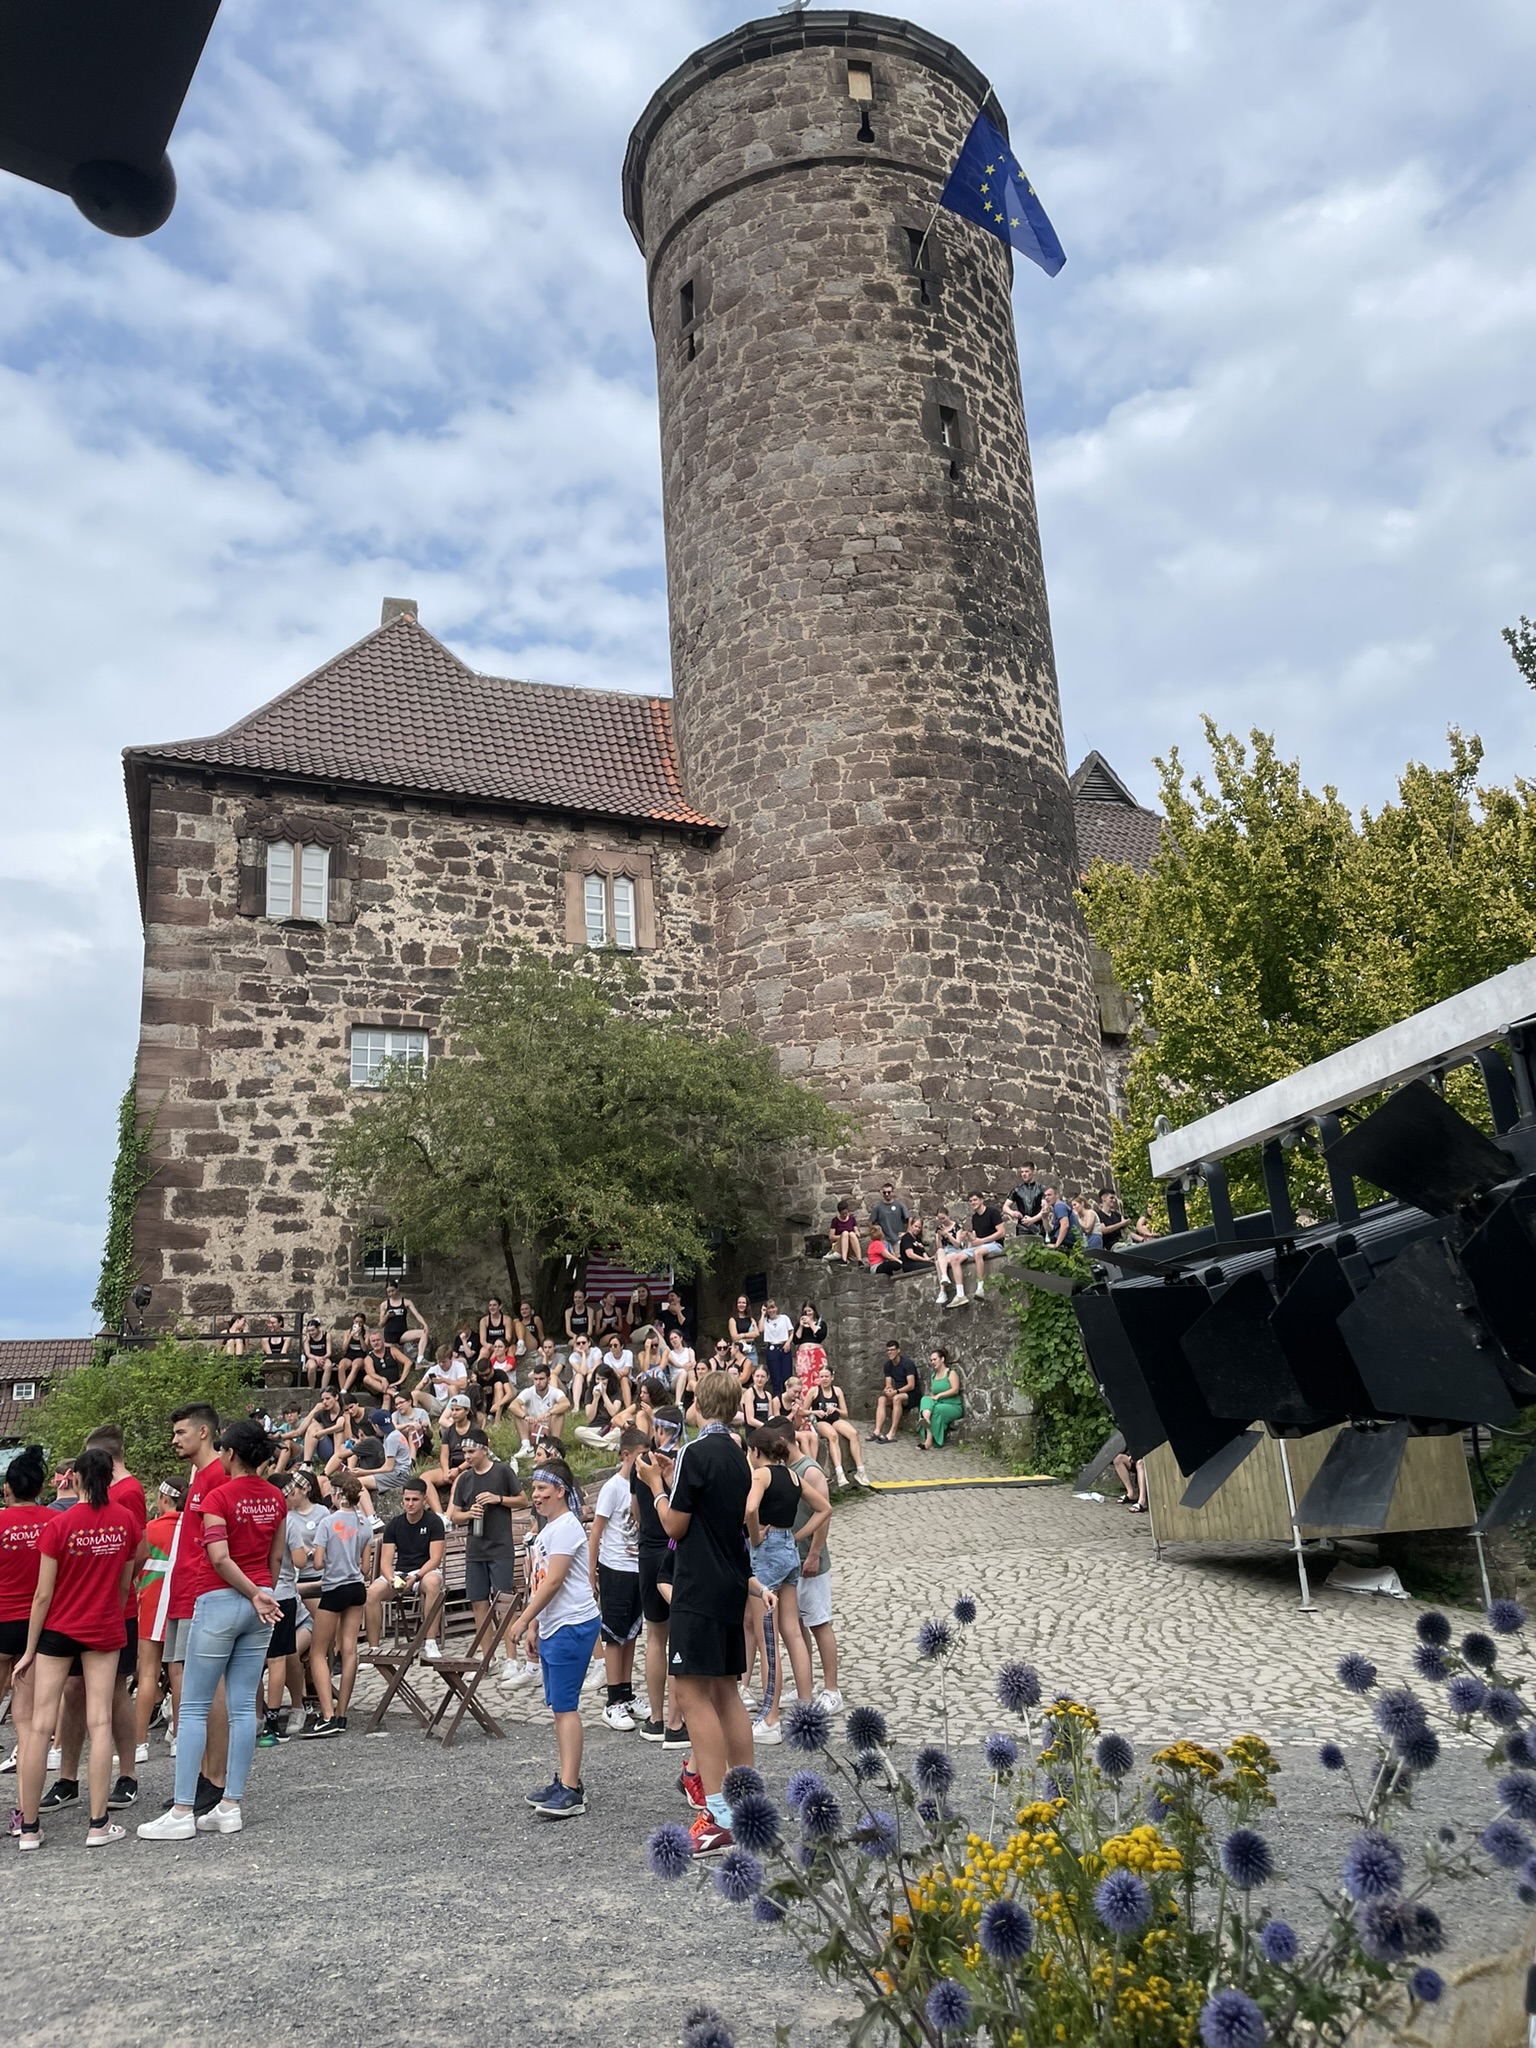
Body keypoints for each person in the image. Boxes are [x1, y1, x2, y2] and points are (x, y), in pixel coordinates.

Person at [138, 1421, 285, 1840]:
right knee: (242, 1709)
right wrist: (262, 1593)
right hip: (259, 1604)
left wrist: (251, 1593)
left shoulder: (219, 1496)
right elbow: (276, 1557)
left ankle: (183, 1809)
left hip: (219, 1600)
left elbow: (219, 1557)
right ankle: (230, 1805)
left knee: (194, 1707)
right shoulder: (276, 1497)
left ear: (231, 1454)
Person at [634, 1370, 754, 1855]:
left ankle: (718, 1813)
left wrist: (655, 1485)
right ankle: (745, 1804)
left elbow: (675, 1526)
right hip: (730, 1581)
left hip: (697, 1586)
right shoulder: (738, 1454)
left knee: (689, 1692)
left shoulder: (693, 1452)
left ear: (698, 1405)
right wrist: (671, 1477)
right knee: (726, 1690)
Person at [14, 1446, 143, 1850]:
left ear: (76, 1479)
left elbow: (43, 1594)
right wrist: (108, 1609)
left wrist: (30, 1649)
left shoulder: (60, 1524)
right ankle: (98, 1824)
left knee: (40, 1724)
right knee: (100, 1721)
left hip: (58, 1628)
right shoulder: (126, 1522)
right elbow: (124, 1584)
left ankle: (29, 1829)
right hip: (103, 1626)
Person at [46, 1423, 147, 1818]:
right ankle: (68, 1778)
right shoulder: (92, 1500)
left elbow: (139, 1550)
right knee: (74, 1691)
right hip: (80, 1613)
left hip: (116, 1610)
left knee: (114, 1694)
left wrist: (111, 1583)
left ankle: (127, 1774)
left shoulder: (129, 1492)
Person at [145, 1403, 230, 1820]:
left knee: (208, 1687)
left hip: (200, 1593)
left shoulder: (216, 1477)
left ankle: (214, 1778)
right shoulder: (199, 1477)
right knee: (191, 1686)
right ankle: (202, 1774)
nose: (174, 1439)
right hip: (183, 1592)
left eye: (181, 1432)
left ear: (203, 1432)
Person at [506, 1459, 601, 1819]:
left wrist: (522, 1620)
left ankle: (572, 1789)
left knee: (565, 1707)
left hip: (571, 1624)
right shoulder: (549, 1530)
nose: (536, 1495)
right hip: (554, 1625)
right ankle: (565, 1779)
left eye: (543, 1489)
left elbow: (555, 1581)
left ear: (561, 1491)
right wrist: (535, 1627)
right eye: (534, 1489)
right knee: (559, 1708)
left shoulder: (565, 1527)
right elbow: (539, 1580)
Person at [745, 1430, 813, 1746]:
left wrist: (755, 1537)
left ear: (756, 1452)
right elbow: (824, 1508)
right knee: (793, 1632)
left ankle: (770, 1718)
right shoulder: (793, 1476)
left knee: (766, 1639)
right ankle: (807, 1708)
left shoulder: (761, 1475)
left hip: (766, 1554)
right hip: (788, 1549)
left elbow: (750, 1509)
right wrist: (796, 1537)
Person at [0, 1446, 51, 1810]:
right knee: (28, 1724)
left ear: (7, 1489)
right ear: (41, 1487)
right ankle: (23, 1809)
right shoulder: (55, 1522)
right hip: (39, 1627)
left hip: (2, 1622)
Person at [301, 1472, 371, 1737]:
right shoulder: (364, 1524)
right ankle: (342, 1713)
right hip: (356, 1588)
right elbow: (366, 1568)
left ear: (337, 1493)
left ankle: (327, 1715)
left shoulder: (328, 1523)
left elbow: (318, 1563)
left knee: (318, 1652)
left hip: (334, 1588)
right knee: (350, 1650)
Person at [448, 1431, 525, 1666]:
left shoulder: (502, 1471)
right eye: (464, 1452)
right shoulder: (464, 1479)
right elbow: (454, 1515)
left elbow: (523, 1500)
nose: (467, 1456)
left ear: (484, 1449)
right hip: (475, 1549)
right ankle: (487, 1656)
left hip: (500, 1547)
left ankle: (511, 1658)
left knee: (504, 1602)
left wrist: (498, 1499)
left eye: (471, 1451)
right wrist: (468, 1514)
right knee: (478, 1602)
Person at [779, 1419, 841, 1712]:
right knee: (797, 1624)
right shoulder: (786, 1470)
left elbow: (824, 1514)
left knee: (819, 1623)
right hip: (792, 1561)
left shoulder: (810, 1471)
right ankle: (806, 1683)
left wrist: (815, 1553)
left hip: (809, 1560)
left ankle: (832, 1689)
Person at [588, 1428, 645, 1731]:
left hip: (638, 1567)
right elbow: (596, 1530)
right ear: (626, 1455)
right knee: (614, 1634)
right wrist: (591, 1571)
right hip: (615, 1567)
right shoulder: (613, 1488)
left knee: (632, 1632)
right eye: (641, 1456)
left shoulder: (644, 1485)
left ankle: (626, 1691)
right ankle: (612, 1701)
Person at [133, 1479, 184, 1762]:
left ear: (164, 1499)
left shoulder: (150, 1529)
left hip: (152, 1603)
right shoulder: (193, 1528)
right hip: (181, 1604)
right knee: (178, 1673)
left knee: (147, 1674)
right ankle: (179, 1738)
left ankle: (139, 1744)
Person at [365, 1478, 445, 1658]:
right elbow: (385, 1562)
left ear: (424, 1499)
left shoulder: (434, 1522)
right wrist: (391, 1579)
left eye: (415, 1500)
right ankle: (374, 1649)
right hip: (400, 1573)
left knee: (433, 1583)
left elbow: (435, 1559)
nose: (410, 1504)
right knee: (372, 1592)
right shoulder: (395, 1524)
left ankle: (430, 1642)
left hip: (425, 1571)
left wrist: (416, 1577)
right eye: (407, 1499)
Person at [258, 1473, 309, 1748]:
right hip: (282, 1594)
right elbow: (299, 1560)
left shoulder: (255, 1518)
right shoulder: (288, 1522)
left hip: (253, 1592)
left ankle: (256, 1715)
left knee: (254, 1660)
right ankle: (273, 1722)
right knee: (278, 1659)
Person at [941, 1192, 1007, 1306]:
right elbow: (975, 1239)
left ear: (981, 1200)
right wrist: (969, 1236)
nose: (972, 1202)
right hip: (982, 1245)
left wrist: (982, 1241)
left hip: (995, 1244)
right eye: (970, 1201)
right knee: (955, 1259)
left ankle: (980, 1288)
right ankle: (960, 1294)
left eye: (975, 1200)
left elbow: (1001, 1232)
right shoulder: (975, 1218)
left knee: (978, 1253)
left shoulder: (992, 1212)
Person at [808, 1365, 868, 1487]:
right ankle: (839, 1472)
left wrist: (836, 1409)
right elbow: (803, 1411)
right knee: (833, 1435)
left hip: (835, 1420)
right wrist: (815, 1412)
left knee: (853, 1433)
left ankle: (860, 1470)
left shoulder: (837, 1391)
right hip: (820, 1421)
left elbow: (845, 1414)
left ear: (832, 1377)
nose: (824, 1379)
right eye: (821, 1377)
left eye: (826, 1376)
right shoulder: (814, 1391)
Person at [422, 1394, 475, 1515]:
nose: (454, 1413)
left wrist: (459, 1469)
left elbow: (474, 1457)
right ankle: (439, 1514)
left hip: (467, 1467)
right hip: (451, 1466)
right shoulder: (449, 1431)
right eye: (452, 1410)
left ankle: (449, 1516)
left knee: (457, 1485)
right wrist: (446, 1471)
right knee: (425, 1478)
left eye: (458, 1410)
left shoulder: (474, 1431)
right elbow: (444, 1455)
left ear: (466, 1411)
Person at [510, 1362, 571, 1455]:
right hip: (533, 1426)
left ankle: (554, 1445)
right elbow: (513, 1405)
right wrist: (525, 1416)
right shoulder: (529, 1391)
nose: (538, 1382)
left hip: (549, 1427)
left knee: (558, 1410)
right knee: (520, 1409)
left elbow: (566, 1403)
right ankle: (526, 1447)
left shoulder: (555, 1392)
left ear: (548, 1379)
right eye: (536, 1379)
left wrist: (549, 1413)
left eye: (541, 1379)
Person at [870, 1341, 920, 1443]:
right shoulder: (888, 1365)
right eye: (888, 1350)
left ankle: (892, 1433)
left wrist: (896, 1392)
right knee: (881, 1399)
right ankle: (877, 1431)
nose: (890, 1352)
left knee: (897, 1398)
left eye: (892, 1350)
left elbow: (911, 1385)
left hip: (912, 1394)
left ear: (898, 1351)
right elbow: (888, 1383)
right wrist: (887, 1390)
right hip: (898, 1392)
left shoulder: (907, 1364)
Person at [916, 1348, 964, 1449]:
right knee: (925, 1399)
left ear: (942, 1359)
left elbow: (955, 1389)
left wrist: (939, 1395)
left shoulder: (950, 1373)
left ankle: (928, 1440)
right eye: (931, 1360)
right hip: (939, 1403)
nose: (932, 1362)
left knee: (936, 1410)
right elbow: (933, 1394)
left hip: (953, 1405)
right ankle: (926, 1420)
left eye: (935, 1359)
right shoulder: (934, 1376)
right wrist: (933, 1398)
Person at [574, 1364, 629, 1451]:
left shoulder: (617, 1391)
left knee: (621, 1432)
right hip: (594, 1428)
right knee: (578, 1431)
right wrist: (595, 1398)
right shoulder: (589, 1392)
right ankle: (611, 1446)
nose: (600, 1382)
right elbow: (590, 1417)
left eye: (603, 1379)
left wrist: (604, 1394)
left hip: (610, 1428)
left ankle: (592, 1444)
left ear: (609, 1379)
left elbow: (613, 1413)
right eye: (598, 1379)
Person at [380, 1281, 428, 1362]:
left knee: (423, 1333)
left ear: (397, 1289)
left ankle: (420, 1358)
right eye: (389, 1292)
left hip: (402, 1333)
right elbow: (381, 1324)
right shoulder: (384, 1304)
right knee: (390, 1359)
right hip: (390, 1334)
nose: (391, 1293)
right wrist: (387, 1315)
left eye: (393, 1291)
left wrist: (425, 1324)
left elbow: (417, 1314)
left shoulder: (406, 1302)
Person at [415, 1346, 468, 1417]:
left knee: (452, 1388)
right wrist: (423, 1384)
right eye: (439, 1361)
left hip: (454, 1401)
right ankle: (415, 1419)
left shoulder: (458, 1366)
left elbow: (463, 1384)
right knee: (415, 1394)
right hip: (439, 1403)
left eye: (444, 1362)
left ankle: (451, 1415)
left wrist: (444, 1380)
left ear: (451, 1359)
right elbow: (417, 1389)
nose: (441, 1364)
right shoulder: (433, 1369)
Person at [1002, 1163, 1046, 1239]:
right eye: (1022, 1172)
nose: (1024, 1174)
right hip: (1022, 1227)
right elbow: (1005, 1207)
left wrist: (1032, 1220)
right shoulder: (1017, 1190)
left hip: (1038, 1226)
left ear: (1033, 1172)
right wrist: (1012, 1213)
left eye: (1027, 1171)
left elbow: (1045, 1209)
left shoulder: (1042, 1189)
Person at [738, 1364, 778, 1433]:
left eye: (763, 1377)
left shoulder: (768, 1395)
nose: (759, 1379)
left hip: (766, 1430)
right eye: (757, 1376)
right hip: (753, 1431)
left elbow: (770, 1416)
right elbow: (750, 1420)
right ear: (753, 1376)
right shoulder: (750, 1393)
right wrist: (766, 1427)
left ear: (767, 1378)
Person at [824, 1198, 861, 1263]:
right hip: (839, 1246)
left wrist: (856, 1233)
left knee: (851, 1234)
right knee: (845, 1233)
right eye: (842, 1213)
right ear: (839, 1213)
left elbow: (857, 1232)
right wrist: (843, 1237)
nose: (844, 1215)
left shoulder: (852, 1219)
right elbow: (831, 1237)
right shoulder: (835, 1221)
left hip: (850, 1244)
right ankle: (844, 1259)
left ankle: (859, 1260)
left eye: (846, 1213)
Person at [1112, 1448, 1149, 1513]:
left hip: (1148, 1459)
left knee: (1140, 1463)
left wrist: (1137, 1455)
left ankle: (1142, 1501)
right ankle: (1131, 1494)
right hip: (1137, 1457)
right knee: (1118, 1459)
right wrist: (1133, 1454)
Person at [727, 1295, 761, 1366]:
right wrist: (749, 1337)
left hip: (751, 1350)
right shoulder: (732, 1319)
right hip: (738, 1350)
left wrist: (742, 1335)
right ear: (736, 1305)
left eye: (743, 1303)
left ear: (747, 1305)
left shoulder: (751, 1319)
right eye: (739, 1302)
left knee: (753, 1370)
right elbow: (734, 1337)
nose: (741, 1305)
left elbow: (757, 1333)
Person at [301, 1318, 335, 1387]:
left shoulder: (327, 1335)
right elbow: (307, 1353)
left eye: (313, 1330)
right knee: (312, 1367)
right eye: (309, 1331)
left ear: (318, 1328)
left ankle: (323, 1388)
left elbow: (329, 1352)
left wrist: (323, 1358)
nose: (311, 1333)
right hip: (312, 1358)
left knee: (328, 1366)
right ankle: (312, 1388)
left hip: (324, 1357)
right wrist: (316, 1358)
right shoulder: (306, 1337)